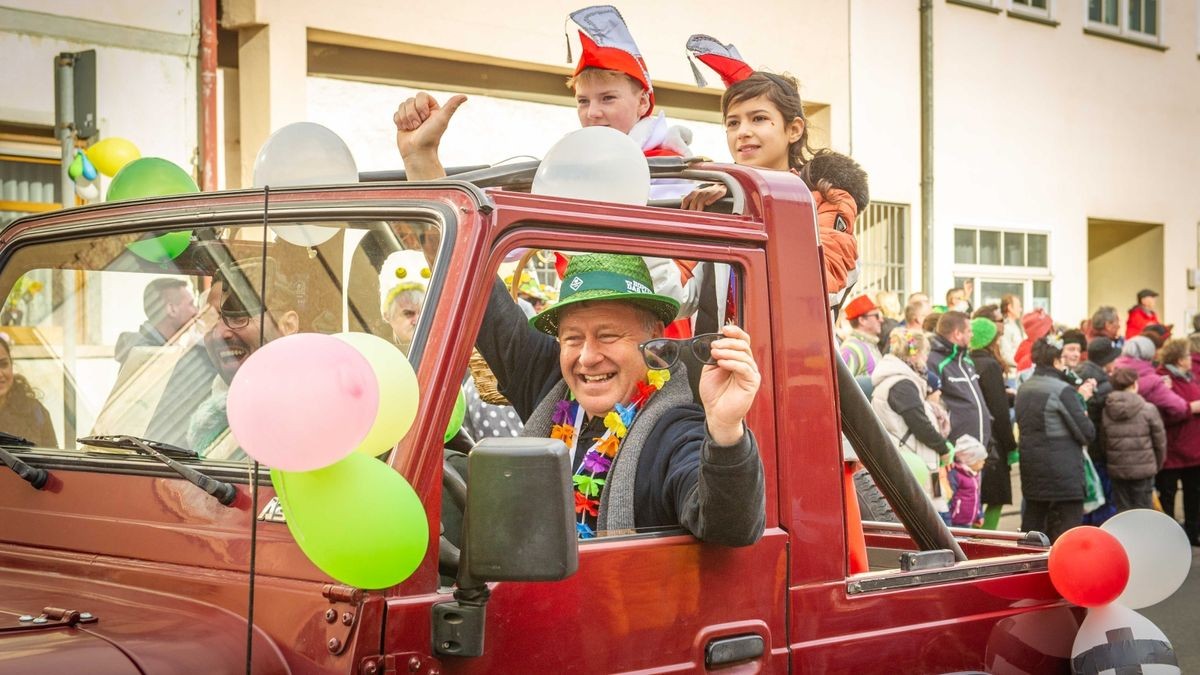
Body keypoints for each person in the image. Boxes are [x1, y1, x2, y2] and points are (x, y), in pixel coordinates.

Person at [393, 6, 699, 333]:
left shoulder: (675, 176)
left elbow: (679, 289)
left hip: (658, 338)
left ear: (643, 102)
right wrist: (425, 166)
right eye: (583, 101)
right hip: (582, 324)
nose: (592, 112)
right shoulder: (573, 169)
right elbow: (505, 238)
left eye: (607, 98)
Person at [474, 253, 765, 544]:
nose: (587, 358)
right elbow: (482, 301)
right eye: (573, 339)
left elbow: (730, 529)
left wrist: (726, 430)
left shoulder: (676, 431)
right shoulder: (549, 385)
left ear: (653, 337)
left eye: (608, 336)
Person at [188, 260, 302, 460]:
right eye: (212, 318)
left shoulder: (317, 407)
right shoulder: (193, 396)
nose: (220, 333)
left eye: (239, 316)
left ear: (288, 325)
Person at [1016, 336, 1096, 542]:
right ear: (1056, 361)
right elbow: (1087, 433)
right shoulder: (1062, 390)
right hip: (1063, 475)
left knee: (1033, 532)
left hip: (1032, 471)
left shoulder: (1024, 388)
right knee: (1066, 537)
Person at [871, 327, 954, 521]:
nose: (926, 360)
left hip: (920, 462)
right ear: (915, 354)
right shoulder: (902, 385)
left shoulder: (899, 381)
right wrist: (943, 448)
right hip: (916, 463)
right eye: (925, 354)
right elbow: (920, 424)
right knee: (937, 525)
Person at [968, 316, 1017, 530]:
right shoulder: (990, 365)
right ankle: (986, 537)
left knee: (975, 495)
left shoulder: (967, 361)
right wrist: (1011, 445)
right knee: (996, 497)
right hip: (994, 441)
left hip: (973, 436)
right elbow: (999, 410)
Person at [1155, 337, 1200, 544]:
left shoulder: (1190, 378)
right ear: (1179, 359)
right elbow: (1165, 413)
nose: (1191, 359)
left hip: (1194, 451)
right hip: (1172, 451)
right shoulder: (1162, 379)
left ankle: (1192, 534)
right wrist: (1192, 408)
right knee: (1168, 496)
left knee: (1194, 496)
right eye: (1187, 356)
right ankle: (1169, 540)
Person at [1103, 367, 1166, 512]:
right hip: (1144, 470)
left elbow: (1103, 441)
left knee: (1123, 510)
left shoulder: (1107, 410)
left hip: (1117, 469)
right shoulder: (1148, 409)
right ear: (1134, 385)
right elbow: (1160, 442)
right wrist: (1156, 465)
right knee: (1144, 510)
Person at [928, 311, 993, 449]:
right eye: (969, 331)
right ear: (957, 334)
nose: (972, 335)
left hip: (979, 447)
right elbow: (932, 406)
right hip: (957, 448)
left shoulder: (966, 359)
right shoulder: (934, 361)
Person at [1078, 337, 1121, 525]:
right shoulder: (1105, 386)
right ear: (1106, 361)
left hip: (1084, 450)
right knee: (1103, 503)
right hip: (1100, 452)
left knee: (1088, 499)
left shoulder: (1078, 374)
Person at [115, 277, 198, 365]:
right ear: (172, 309)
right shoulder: (147, 357)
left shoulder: (159, 350)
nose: (196, 311)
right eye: (191, 304)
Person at [0, 334, 56, 447]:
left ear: (11, 364)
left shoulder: (36, 412)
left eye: (4, 364)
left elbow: (53, 459)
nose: (0, 374)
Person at [839, 295, 884, 378]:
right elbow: (845, 386)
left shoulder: (868, 343)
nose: (881, 320)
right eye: (876, 316)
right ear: (862, 320)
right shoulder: (851, 349)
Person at [948, 436, 988, 528]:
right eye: (980, 460)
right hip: (956, 523)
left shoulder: (974, 475)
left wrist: (979, 515)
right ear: (971, 460)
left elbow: (976, 497)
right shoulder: (956, 475)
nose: (984, 462)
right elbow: (950, 498)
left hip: (968, 522)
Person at [383, 282, 424, 353]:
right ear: (388, 317)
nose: (418, 320)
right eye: (408, 313)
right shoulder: (382, 353)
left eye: (423, 313)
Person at [997, 294, 1025, 373]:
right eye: (1018, 306)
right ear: (1010, 307)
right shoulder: (1006, 327)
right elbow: (1006, 355)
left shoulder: (1015, 325)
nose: (1021, 309)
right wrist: (1022, 364)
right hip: (1011, 373)